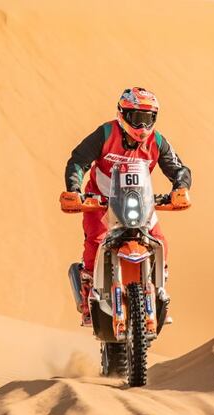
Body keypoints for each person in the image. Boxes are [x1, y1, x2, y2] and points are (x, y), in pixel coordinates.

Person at [59, 87, 192, 324]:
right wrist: (74, 189)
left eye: (148, 118)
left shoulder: (157, 141)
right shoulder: (105, 133)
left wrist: (180, 188)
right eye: (137, 118)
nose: (142, 126)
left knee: (159, 241)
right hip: (101, 200)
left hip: (140, 201)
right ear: (123, 114)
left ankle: (158, 291)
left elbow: (178, 168)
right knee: (96, 241)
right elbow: (78, 161)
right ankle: (88, 291)